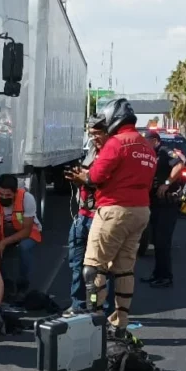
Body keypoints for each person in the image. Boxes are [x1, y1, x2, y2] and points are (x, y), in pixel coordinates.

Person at [82, 98, 156, 337]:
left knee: (94, 269)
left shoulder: (116, 143)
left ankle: (95, 324)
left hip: (114, 210)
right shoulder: (146, 145)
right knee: (124, 270)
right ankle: (120, 323)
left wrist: (86, 175)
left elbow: (95, 175)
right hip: (141, 211)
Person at [63, 116, 115, 316]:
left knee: (101, 268)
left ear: (107, 132)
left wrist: (85, 178)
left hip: (100, 217)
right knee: (77, 264)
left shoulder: (113, 152)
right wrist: (77, 178)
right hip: (81, 216)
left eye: (97, 134)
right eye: (91, 134)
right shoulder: (93, 151)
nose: (94, 138)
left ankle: (104, 310)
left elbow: (103, 181)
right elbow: (87, 178)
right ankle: (78, 305)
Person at [0, 174, 42, 300]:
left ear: (15, 192)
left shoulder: (27, 199)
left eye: (8, 195)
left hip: (27, 232)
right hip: (4, 232)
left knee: (24, 248)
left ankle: (23, 284)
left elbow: (27, 231)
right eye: (1, 194)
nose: (4, 198)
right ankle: (6, 284)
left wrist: (4, 242)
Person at [140, 130, 184, 289]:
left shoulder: (165, 151)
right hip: (154, 203)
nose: (144, 145)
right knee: (156, 242)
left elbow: (179, 164)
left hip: (167, 204)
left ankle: (166, 277)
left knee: (162, 242)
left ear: (154, 140)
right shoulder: (150, 154)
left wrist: (167, 183)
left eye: (146, 142)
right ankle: (157, 274)